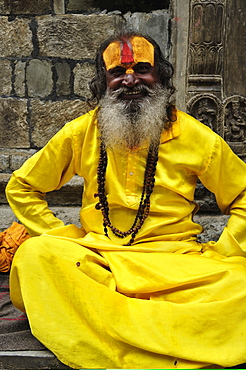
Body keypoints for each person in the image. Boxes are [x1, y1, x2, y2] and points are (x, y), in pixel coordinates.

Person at [6, 31, 246, 369]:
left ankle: (104, 331)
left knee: (241, 286)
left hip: (175, 263)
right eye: (117, 72)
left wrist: (227, 251)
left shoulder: (196, 137)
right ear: (103, 82)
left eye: (142, 69)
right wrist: (62, 234)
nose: (130, 79)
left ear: (161, 75)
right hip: (99, 259)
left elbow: (243, 193)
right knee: (34, 255)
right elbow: (22, 186)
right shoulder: (81, 133)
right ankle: (163, 337)